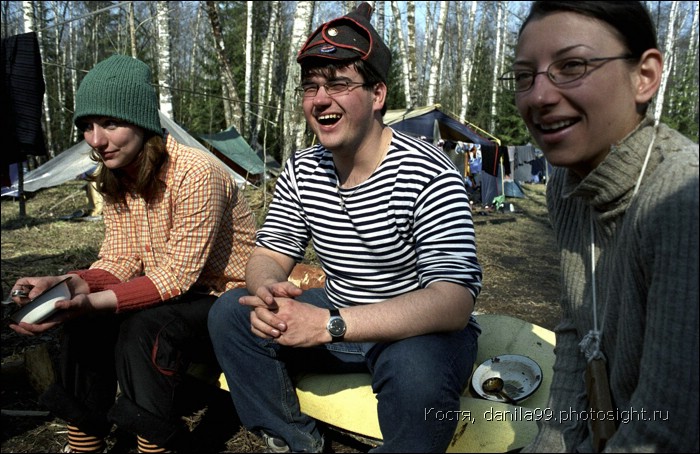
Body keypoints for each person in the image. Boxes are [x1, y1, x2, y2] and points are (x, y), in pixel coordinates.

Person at [208, 3, 482, 453]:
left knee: (418, 374)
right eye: (311, 86)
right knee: (232, 313)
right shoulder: (302, 169)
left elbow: (452, 299)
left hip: (414, 332)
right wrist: (268, 292)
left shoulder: (428, 172)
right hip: (338, 315)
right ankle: (295, 440)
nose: (320, 99)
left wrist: (329, 326)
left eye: (338, 84)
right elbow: (270, 252)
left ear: (377, 95)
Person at [8, 55, 257, 453]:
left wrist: (93, 301)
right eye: (87, 126)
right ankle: (85, 437)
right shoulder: (117, 175)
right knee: (82, 322)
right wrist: (67, 283)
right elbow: (119, 262)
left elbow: (178, 275)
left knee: (143, 329)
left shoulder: (196, 172)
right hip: (169, 293)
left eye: (110, 123)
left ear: (141, 121)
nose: (96, 140)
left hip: (226, 299)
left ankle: (155, 443)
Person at [499, 1, 699, 452]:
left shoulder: (682, 199)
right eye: (524, 76)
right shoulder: (569, 188)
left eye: (571, 66)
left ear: (644, 76)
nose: (538, 97)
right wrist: (549, 443)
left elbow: (668, 432)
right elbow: (576, 333)